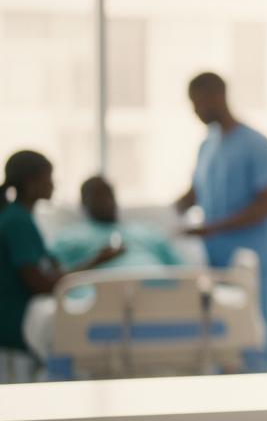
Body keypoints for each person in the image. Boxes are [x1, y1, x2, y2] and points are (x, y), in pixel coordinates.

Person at [174, 72, 267, 372]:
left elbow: (266, 205)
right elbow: (197, 191)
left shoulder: (258, 145)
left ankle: (260, 396)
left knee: (251, 330)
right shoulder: (207, 145)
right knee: (221, 333)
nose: (195, 111)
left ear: (215, 96)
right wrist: (170, 212)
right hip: (213, 257)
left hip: (251, 255)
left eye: (197, 103)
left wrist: (212, 228)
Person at [1, 151, 122, 381]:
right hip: (13, 318)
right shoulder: (17, 221)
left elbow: (46, 266)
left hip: (22, 309)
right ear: (31, 183)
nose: (53, 184)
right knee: (79, 338)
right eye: (49, 177)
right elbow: (41, 285)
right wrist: (97, 261)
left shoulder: (21, 217)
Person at [51, 176, 181, 270]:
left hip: (159, 296)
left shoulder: (149, 231)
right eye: (98, 196)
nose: (107, 200)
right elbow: (53, 276)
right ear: (83, 202)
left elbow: (182, 270)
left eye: (110, 194)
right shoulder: (68, 237)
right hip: (98, 301)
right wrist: (97, 259)